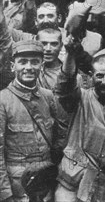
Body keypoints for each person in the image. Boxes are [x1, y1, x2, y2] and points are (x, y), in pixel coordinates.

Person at [54, 44, 105, 202]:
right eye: (99, 76)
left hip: (104, 188)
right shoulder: (80, 98)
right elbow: (65, 83)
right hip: (71, 182)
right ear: (91, 76)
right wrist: (71, 54)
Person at [0, 40, 61, 202]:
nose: (29, 67)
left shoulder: (48, 96)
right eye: (23, 62)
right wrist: (6, 193)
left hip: (46, 181)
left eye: (34, 62)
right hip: (19, 185)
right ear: (13, 66)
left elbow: (58, 138)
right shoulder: (3, 100)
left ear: (41, 66)